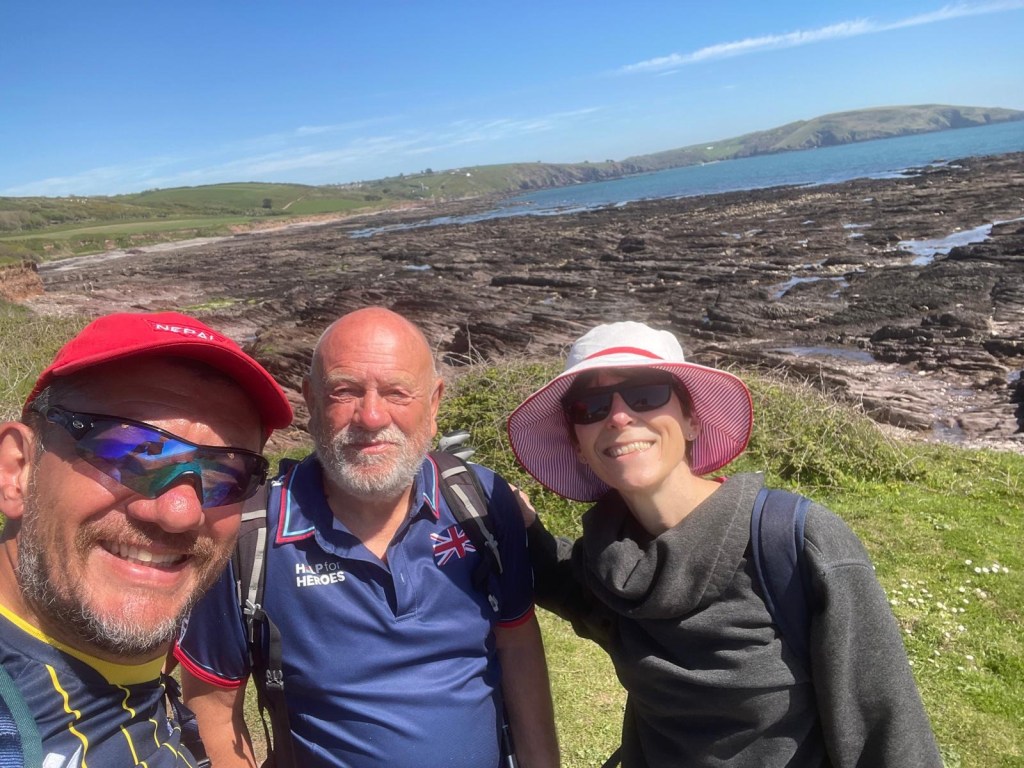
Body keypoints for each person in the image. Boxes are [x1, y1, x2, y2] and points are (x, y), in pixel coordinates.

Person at [506, 321, 943, 767]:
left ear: (692, 421)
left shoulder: (794, 543)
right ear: (579, 445)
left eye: (645, 394)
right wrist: (516, 524)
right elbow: (568, 586)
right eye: (591, 406)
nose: (618, 417)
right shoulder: (611, 561)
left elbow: (887, 732)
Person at [175, 306, 559, 768]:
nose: (372, 416)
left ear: (434, 403)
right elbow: (213, 709)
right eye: (345, 391)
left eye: (397, 392)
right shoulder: (246, 534)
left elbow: (517, 645)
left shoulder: (480, 503)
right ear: (311, 402)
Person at [0, 310, 293, 767]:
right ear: (18, 469)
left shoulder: (125, 682)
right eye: (130, 453)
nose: (180, 513)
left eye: (226, 473)